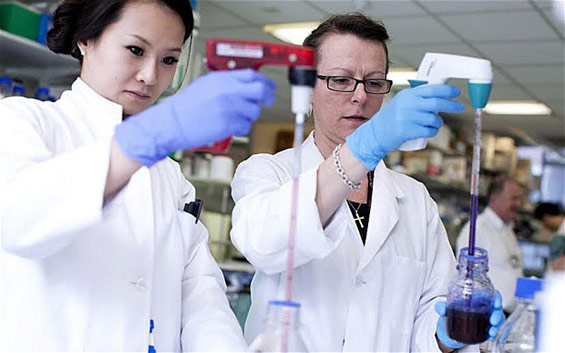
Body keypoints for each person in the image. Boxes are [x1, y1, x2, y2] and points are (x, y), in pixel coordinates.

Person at [0, 0, 275, 351]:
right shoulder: (22, 121)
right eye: (135, 50)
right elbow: (19, 218)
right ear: (86, 39)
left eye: (169, 60)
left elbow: (200, 296)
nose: (150, 76)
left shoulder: (170, 175)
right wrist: (152, 135)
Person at [230, 13, 503, 352]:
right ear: (309, 89)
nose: (360, 96)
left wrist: (447, 332)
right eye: (341, 80)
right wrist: (365, 147)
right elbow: (264, 242)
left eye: (374, 82)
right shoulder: (268, 173)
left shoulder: (416, 201)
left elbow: (428, 319)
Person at [457, 177, 525, 315]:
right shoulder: (476, 229)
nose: (518, 204)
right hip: (488, 315)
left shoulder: (508, 230)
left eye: (519, 199)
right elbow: (467, 277)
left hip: (511, 314)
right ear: (494, 199)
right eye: (513, 199)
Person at [533, 202, 565, 271]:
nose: (545, 227)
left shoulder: (561, 236)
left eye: (543, 223)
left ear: (546, 218)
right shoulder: (558, 235)